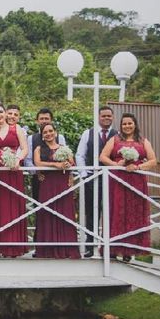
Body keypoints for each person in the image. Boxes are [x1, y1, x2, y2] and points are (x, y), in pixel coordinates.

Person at [100, 113, 157, 261]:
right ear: (121, 126)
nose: (127, 126)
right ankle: (112, 248)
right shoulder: (115, 139)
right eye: (124, 124)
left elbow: (153, 161)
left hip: (137, 181)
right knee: (117, 211)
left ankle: (128, 251)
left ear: (135, 124)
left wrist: (138, 167)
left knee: (133, 213)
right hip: (118, 181)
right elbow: (103, 157)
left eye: (130, 123)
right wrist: (115, 164)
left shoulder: (143, 141)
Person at [0, 103, 29, 257]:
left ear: (5, 113)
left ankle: (12, 247)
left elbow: (24, 148)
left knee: (12, 207)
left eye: (1, 112)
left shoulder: (17, 129)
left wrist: (17, 159)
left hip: (12, 172)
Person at [75, 106, 117, 257]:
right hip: (92, 178)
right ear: (98, 117)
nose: (106, 118)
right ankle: (90, 245)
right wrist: (84, 174)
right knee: (91, 212)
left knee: (111, 212)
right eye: (103, 115)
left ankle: (109, 247)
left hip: (113, 181)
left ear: (112, 117)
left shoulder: (117, 135)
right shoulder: (88, 133)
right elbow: (79, 155)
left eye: (109, 116)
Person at [33, 123, 79, 259]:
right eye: (45, 132)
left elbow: (72, 163)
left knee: (64, 213)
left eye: (50, 131)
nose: (48, 134)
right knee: (47, 213)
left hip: (62, 183)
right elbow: (38, 163)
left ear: (55, 132)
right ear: (42, 135)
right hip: (48, 184)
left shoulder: (64, 148)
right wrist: (55, 164)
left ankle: (66, 248)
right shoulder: (39, 149)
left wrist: (67, 166)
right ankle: (47, 250)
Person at [24, 108, 66, 201]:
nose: (44, 121)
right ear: (37, 121)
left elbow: (66, 158)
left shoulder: (60, 138)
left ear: (51, 120)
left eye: (46, 119)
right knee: (39, 205)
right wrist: (36, 172)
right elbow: (28, 160)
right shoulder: (31, 138)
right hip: (40, 179)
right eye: (41, 119)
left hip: (58, 178)